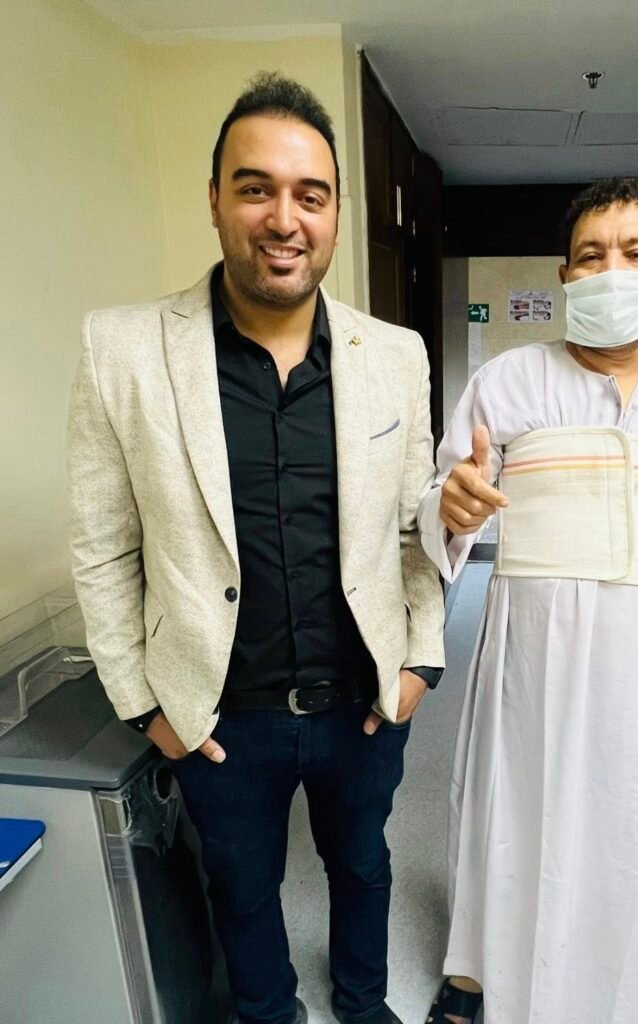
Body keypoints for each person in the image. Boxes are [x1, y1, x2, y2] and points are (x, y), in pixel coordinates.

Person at [68, 72, 445, 1024]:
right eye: (255, 188)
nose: (284, 219)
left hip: (363, 701)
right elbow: (103, 548)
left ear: (336, 213)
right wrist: (146, 706)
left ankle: (363, 1004)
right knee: (240, 889)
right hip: (217, 712)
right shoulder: (122, 349)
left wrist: (422, 664)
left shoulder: (394, 354)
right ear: (215, 200)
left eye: (310, 195)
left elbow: (413, 531)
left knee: (363, 866)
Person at [418, 178, 638, 1024]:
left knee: (622, 815)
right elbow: (442, 498)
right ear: (566, 277)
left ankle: (603, 984)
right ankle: (478, 974)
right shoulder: (508, 381)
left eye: (635, 253)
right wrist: (449, 507)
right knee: (508, 805)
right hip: (528, 638)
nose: (612, 270)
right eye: (591, 256)